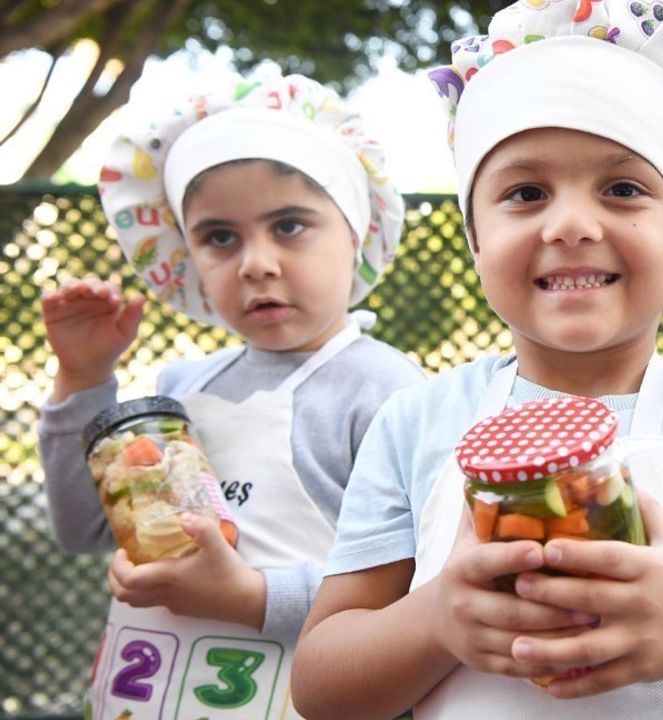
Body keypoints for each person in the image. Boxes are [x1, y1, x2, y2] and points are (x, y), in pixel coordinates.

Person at [291, 2, 663, 718]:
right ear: (475, 240)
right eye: (526, 193)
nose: (570, 224)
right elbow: (322, 690)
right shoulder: (413, 422)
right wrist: (435, 617)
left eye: (624, 188)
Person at [37, 72, 424, 720]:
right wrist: (82, 381)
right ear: (187, 256)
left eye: (290, 226)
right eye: (219, 237)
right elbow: (84, 529)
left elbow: (413, 586)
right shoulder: (180, 387)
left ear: (356, 235)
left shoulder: (388, 392)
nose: (256, 263)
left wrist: (249, 595)